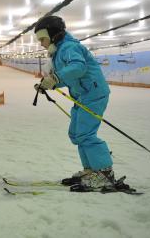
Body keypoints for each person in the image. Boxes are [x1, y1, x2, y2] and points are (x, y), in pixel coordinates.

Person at [33, 15, 113, 190]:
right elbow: (71, 76)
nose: (41, 43)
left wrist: (55, 78)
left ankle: (104, 174)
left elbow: (78, 67)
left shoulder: (69, 47)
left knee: (85, 134)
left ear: (53, 35)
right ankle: (91, 170)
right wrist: (50, 84)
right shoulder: (60, 51)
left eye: (42, 39)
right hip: (82, 95)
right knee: (77, 134)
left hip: (93, 94)